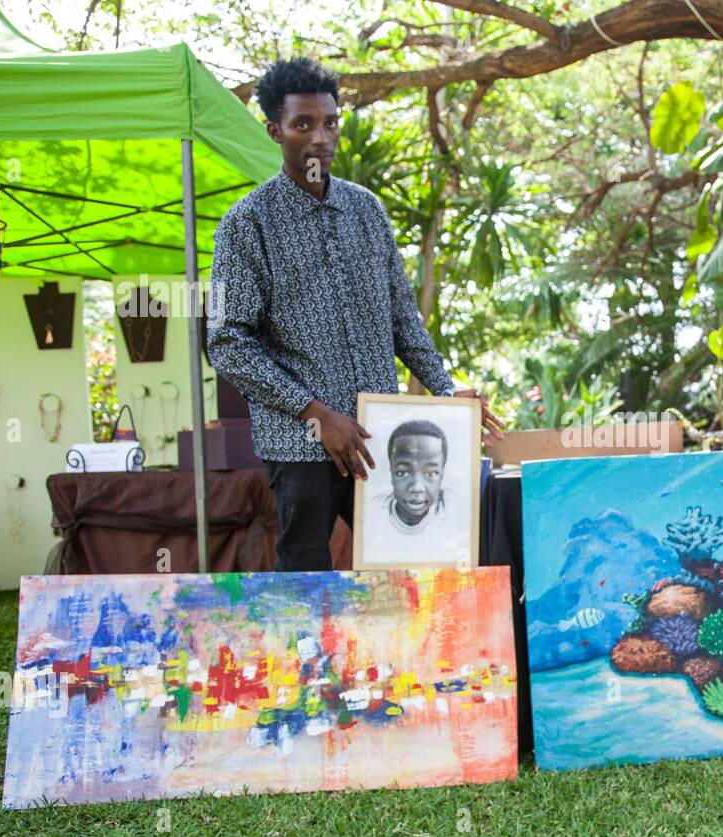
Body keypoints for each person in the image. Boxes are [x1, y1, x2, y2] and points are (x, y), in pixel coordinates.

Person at [208, 58, 505, 572]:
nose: (321, 137)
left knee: (401, 565)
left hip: (377, 436)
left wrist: (445, 388)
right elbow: (227, 342)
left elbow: (402, 319)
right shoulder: (245, 224)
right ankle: (308, 654)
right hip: (300, 441)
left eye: (330, 122)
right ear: (275, 130)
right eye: (304, 124)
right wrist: (316, 413)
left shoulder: (367, 211)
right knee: (306, 575)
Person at [384, 419, 451, 535]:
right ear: (391, 472)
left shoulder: (456, 517)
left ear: (442, 476)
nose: (416, 487)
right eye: (402, 473)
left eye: (431, 473)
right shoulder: (371, 514)